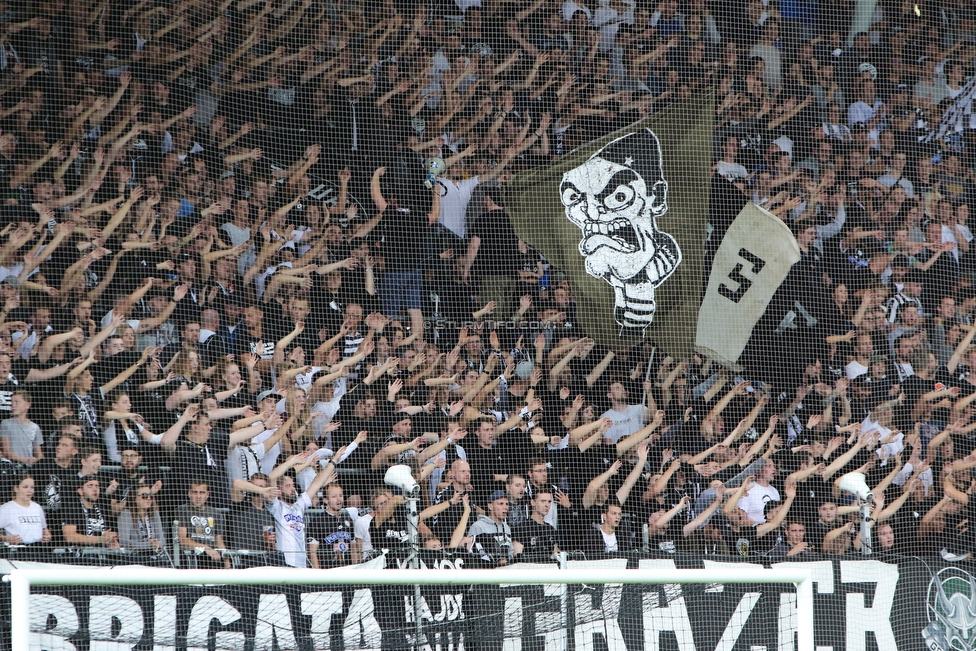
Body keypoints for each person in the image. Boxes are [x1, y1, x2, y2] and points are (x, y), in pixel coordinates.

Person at [175, 479, 229, 569]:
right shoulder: (182, 510)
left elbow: (219, 541)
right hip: (192, 558)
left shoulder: (216, 513)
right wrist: (206, 548)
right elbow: (183, 540)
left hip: (213, 560)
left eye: (202, 492)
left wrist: (227, 562)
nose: (198, 496)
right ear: (189, 494)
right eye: (195, 492)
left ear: (207, 494)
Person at [0, 475, 51, 558]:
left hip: (39, 550)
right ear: (16, 488)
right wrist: (6, 538)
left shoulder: (37, 507)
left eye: (32, 487)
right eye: (25, 487)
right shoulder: (6, 508)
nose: (29, 491)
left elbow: (44, 528)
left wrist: (47, 535)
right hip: (17, 552)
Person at [467, 490, 522, 565]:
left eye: (506, 504)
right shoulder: (478, 526)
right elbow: (470, 552)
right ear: (490, 506)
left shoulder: (506, 528)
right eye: (501, 504)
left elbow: (510, 552)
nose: (505, 507)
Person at [117, 488, 168, 565]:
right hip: (134, 560)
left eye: (150, 496)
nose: (148, 498)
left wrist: (157, 544)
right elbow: (124, 542)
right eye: (144, 496)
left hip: (156, 559)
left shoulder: (155, 514)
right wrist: (149, 545)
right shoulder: (126, 515)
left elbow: (162, 540)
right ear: (134, 499)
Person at [0, 390, 43, 465]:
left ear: (27, 405)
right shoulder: (5, 424)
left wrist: (40, 462)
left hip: (30, 468)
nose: (13, 405)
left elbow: (38, 453)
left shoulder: (35, 427)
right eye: (12, 402)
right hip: (11, 466)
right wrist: (25, 460)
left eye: (17, 402)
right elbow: (6, 451)